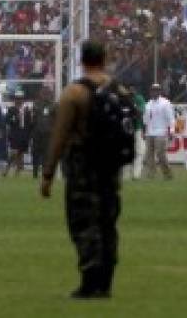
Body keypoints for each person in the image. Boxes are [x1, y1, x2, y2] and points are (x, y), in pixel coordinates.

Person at [41, 40, 123, 299]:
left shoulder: (74, 93)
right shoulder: (118, 90)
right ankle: (106, 281)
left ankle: (90, 282)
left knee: (83, 222)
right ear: (104, 58)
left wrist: (48, 175)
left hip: (82, 165)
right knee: (107, 221)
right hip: (110, 166)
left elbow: (59, 136)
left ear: (82, 60)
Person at [141, 83, 173, 180]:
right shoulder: (148, 104)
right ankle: (151, 174)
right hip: (150, 132)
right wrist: (144, 131)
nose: (154, 92)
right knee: (149, 155)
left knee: (160, 154)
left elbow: (171, 118)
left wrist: (171, 130)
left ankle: (167, 173)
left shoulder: (165, 103)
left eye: (156, 90)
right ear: (150, 92)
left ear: (160, 91)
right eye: (153, 90)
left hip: (161, 132)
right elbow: (145, 119)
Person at [3, 92, 32, 177]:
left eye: (20, 98)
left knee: (21, 153)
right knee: (13, 152)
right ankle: (7, 169)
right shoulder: (11, 109)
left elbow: (29, 122)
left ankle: (17, 172)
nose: (19, 100)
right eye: (17, 98)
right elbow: (7, 120)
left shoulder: (27, 109)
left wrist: (29, 134)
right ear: (15, 99)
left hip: (24, 133)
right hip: (15, 133)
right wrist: (16, 118)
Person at [31, 88, 57, 180]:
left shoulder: (53, 105)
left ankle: (44, 173)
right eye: (43, 93)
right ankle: (34, 173)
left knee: (46, 154)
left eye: (47, 93)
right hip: (37, 132)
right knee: (35, 153)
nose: (45, 95)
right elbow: (33, 118)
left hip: (48, 133)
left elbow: (56, 119)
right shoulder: (36, 104)